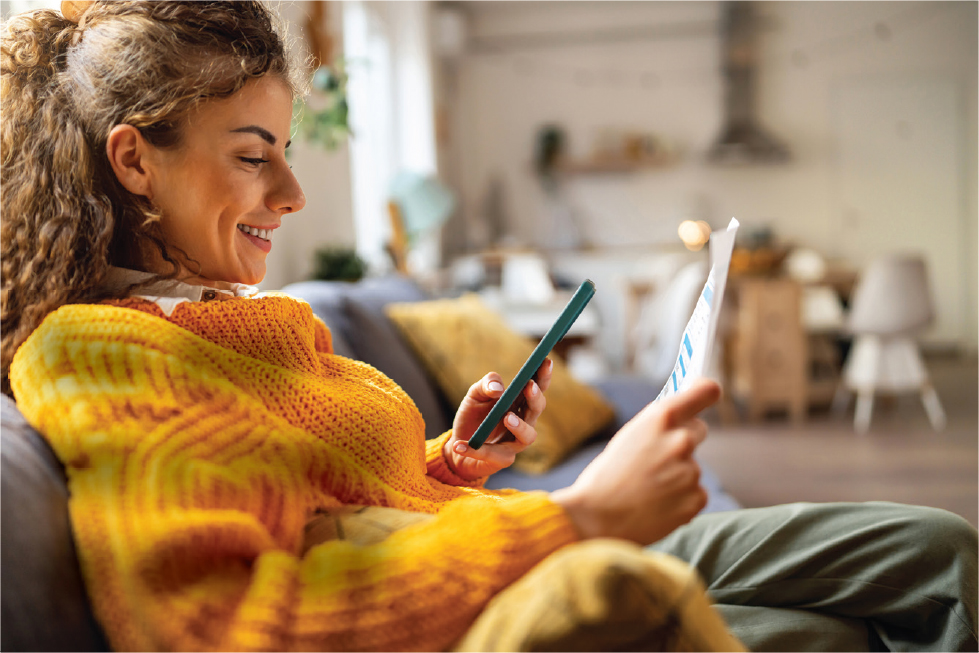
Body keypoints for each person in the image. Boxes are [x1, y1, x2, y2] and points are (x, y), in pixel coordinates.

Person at [1, 2, 975, 651]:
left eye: (287, 152)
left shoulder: (238, 321)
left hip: (508, 536)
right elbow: (223, 621)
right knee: (856, 624)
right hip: (516, 579)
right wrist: (583, 514)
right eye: (255, 156)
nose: (293, 193)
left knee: (936, 549)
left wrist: (452, 456)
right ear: (136, 162)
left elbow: (333, 505)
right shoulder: (106, 352)